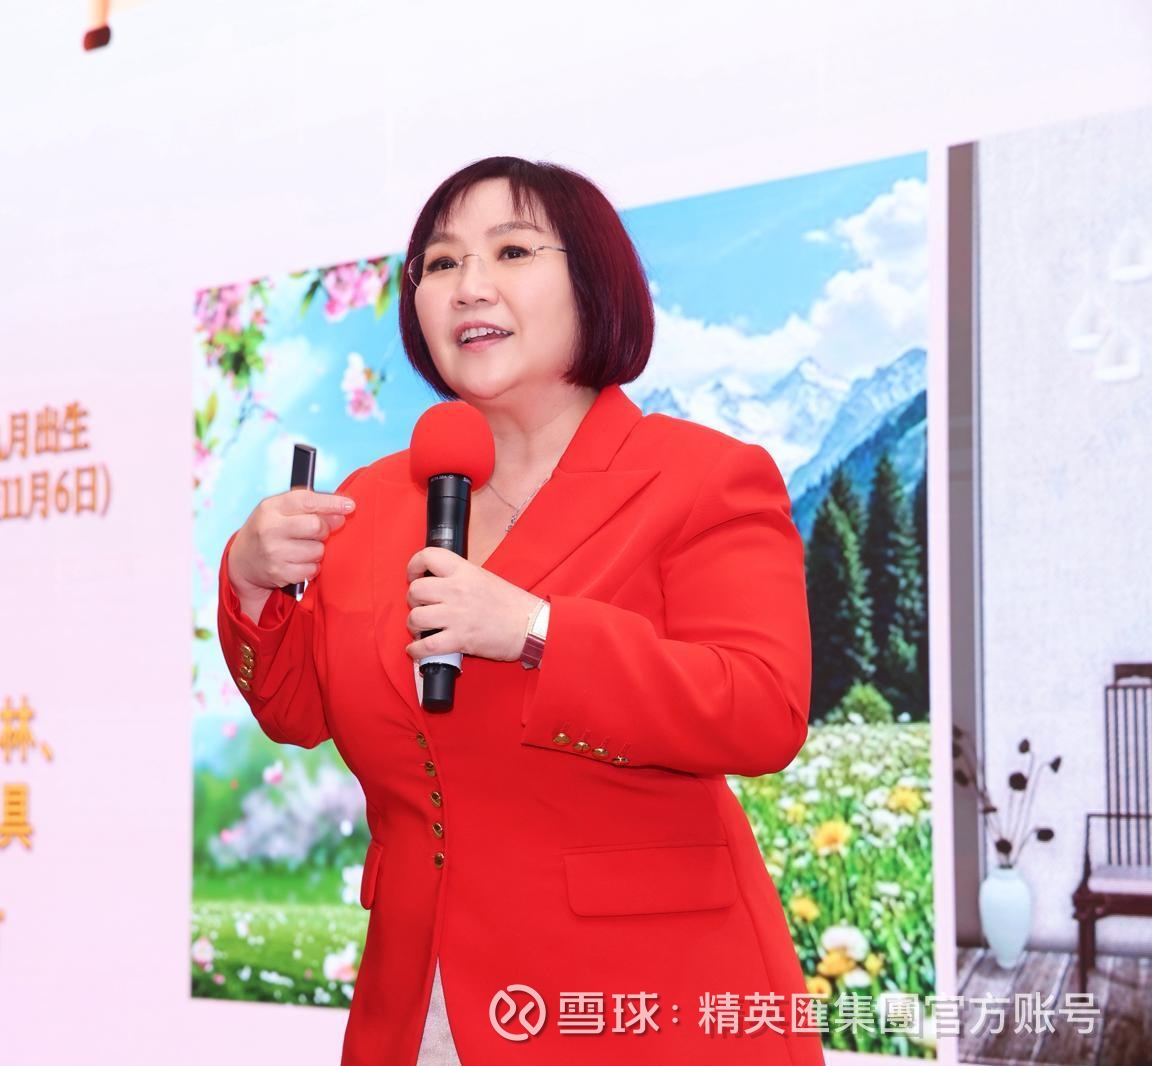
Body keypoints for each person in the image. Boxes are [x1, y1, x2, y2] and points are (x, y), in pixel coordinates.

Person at [217, 156, 823, 1066]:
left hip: (640, 1005)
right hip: (419, 1006)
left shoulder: (703, 477)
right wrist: (251, 580)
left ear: (594, 282)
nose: (470, 285)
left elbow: (762, 708)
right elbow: (298, 709)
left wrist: (537, 631)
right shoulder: (372, 501)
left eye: (511, 251)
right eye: (442, 263)